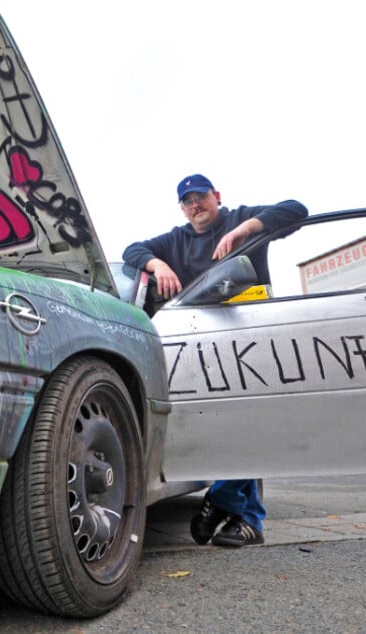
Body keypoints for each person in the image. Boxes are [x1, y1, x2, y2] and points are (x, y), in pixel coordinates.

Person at [122, 173, 308, 547]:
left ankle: (230, 506)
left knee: (251, 420)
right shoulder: (175, 240)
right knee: (227, 425)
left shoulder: (242, 217)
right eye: (187, 201)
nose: (195, 205)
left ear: (216, 196)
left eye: (200, 197)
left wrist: (247, 231)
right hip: (205, 344)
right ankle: (242, 516)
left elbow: (297, 211)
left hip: (254, 335)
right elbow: (133, 250)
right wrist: (157, 265)